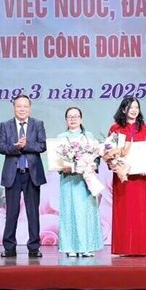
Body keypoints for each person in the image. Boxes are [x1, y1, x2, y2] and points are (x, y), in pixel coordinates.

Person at [0, 94, 47, 258]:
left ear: (29, 108)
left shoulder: (37, 124)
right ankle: (9, 247)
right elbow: (0, 147)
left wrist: (27, 145)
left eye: (25, 106)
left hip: (32, 174)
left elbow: (42, 145)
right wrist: (16, 148)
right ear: (14, 108)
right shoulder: (5, 125)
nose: (22, 109)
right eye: (19, 106)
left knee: (33, 212)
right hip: (13, 174)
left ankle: (34, 247)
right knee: (11, 212)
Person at [106, 96, 146, 256]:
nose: (134, 110)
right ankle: (123, 248)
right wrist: (113, 162)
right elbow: (108, 152)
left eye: (136, 107)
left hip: (141, 178)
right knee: (123, 212)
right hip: (123, 178)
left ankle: (140, 248)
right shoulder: (115, 128)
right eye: (131, 107)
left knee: (140, 212)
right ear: (123, 109)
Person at [57, 107, 103, 257]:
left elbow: (97, 155)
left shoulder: (88, 136)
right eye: (70, 116)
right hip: (69, 180)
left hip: (85, 180)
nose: (73, 119)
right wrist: (64, 167)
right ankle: (70, 247)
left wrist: (93, 164)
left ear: (81, 119)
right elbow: (57, 160)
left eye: (76, 116)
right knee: (69, 211)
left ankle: (87, 246)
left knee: (86, 212)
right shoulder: (61, 137)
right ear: (66, 120)